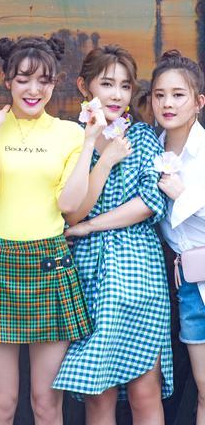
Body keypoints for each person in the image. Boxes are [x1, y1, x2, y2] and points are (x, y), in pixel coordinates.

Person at [0, 36, 103, 424]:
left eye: (44, 81)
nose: (33, 90)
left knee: (45, 403)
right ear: (7, 80)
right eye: (23, 80)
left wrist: (89, 143)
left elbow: (70, 205)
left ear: (55, 83)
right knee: (1, 404)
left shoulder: (69, 133)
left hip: (50, 263)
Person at [53, 45, 173, 425]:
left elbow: (149, 201)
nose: (117, 95)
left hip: (139, 271)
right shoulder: (72, 138)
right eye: (107, 84)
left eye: (125, 85)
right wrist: (103, 159)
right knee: (98, 392)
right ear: (84, 86)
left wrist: (90, 226)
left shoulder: (142, 136)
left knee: (144, 391)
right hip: (89, 272)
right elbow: (73, 210)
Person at [151, 50, 205, 424]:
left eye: (178, 94)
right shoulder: (149, 151)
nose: (167, 103)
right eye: (159, 95)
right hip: (186, 284)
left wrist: (182, 194)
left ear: (199, 102)